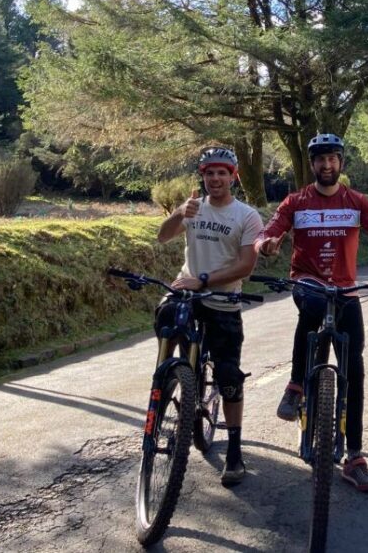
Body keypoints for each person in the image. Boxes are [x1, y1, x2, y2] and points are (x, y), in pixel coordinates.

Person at [254, 133, 368, 493]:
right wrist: (267, 245)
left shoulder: (355, 201)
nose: (327, 165)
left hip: (346, 291)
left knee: (354, 370)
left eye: (332, 159)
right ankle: (295, 385)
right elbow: (269, 231)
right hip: (308, 284)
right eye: (320, 159)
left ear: (341, 162)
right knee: (315, 303)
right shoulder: (296, 201)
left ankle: (354, 457)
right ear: (312, 164)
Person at [156, 146, 263, 487]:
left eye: (222, 173)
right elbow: (162, 236)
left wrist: (203, 280)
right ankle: (164, 386)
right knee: (165, 316)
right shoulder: (193, 207)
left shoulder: (247, 216)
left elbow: (246, 265)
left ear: (233, 176)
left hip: (222, 298)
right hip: (187, 291)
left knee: (229, 375)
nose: (215, 178)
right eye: (209, 173)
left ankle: (234, 450)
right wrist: (177, 213)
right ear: (201, 176)